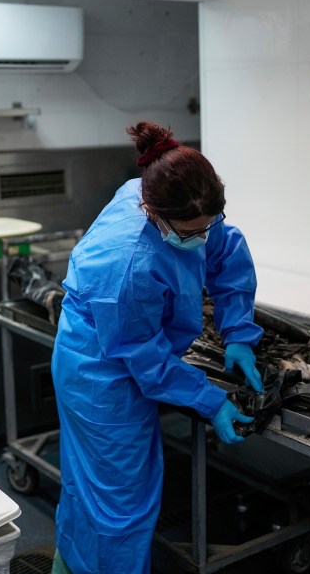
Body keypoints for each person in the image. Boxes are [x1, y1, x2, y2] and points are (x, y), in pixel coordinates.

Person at [50, 121, 265, 574]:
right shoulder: (126, 262)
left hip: (128, 341)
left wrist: (239, 334)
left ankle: (71, 566)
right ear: (150, 211)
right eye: (190, 232)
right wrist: (210, 400)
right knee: (118, 502)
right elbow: (142, 354)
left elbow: (227, 258)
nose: (200, 238)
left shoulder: (182, 201)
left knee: (96, 488)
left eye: (208, 226)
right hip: (100, 371)